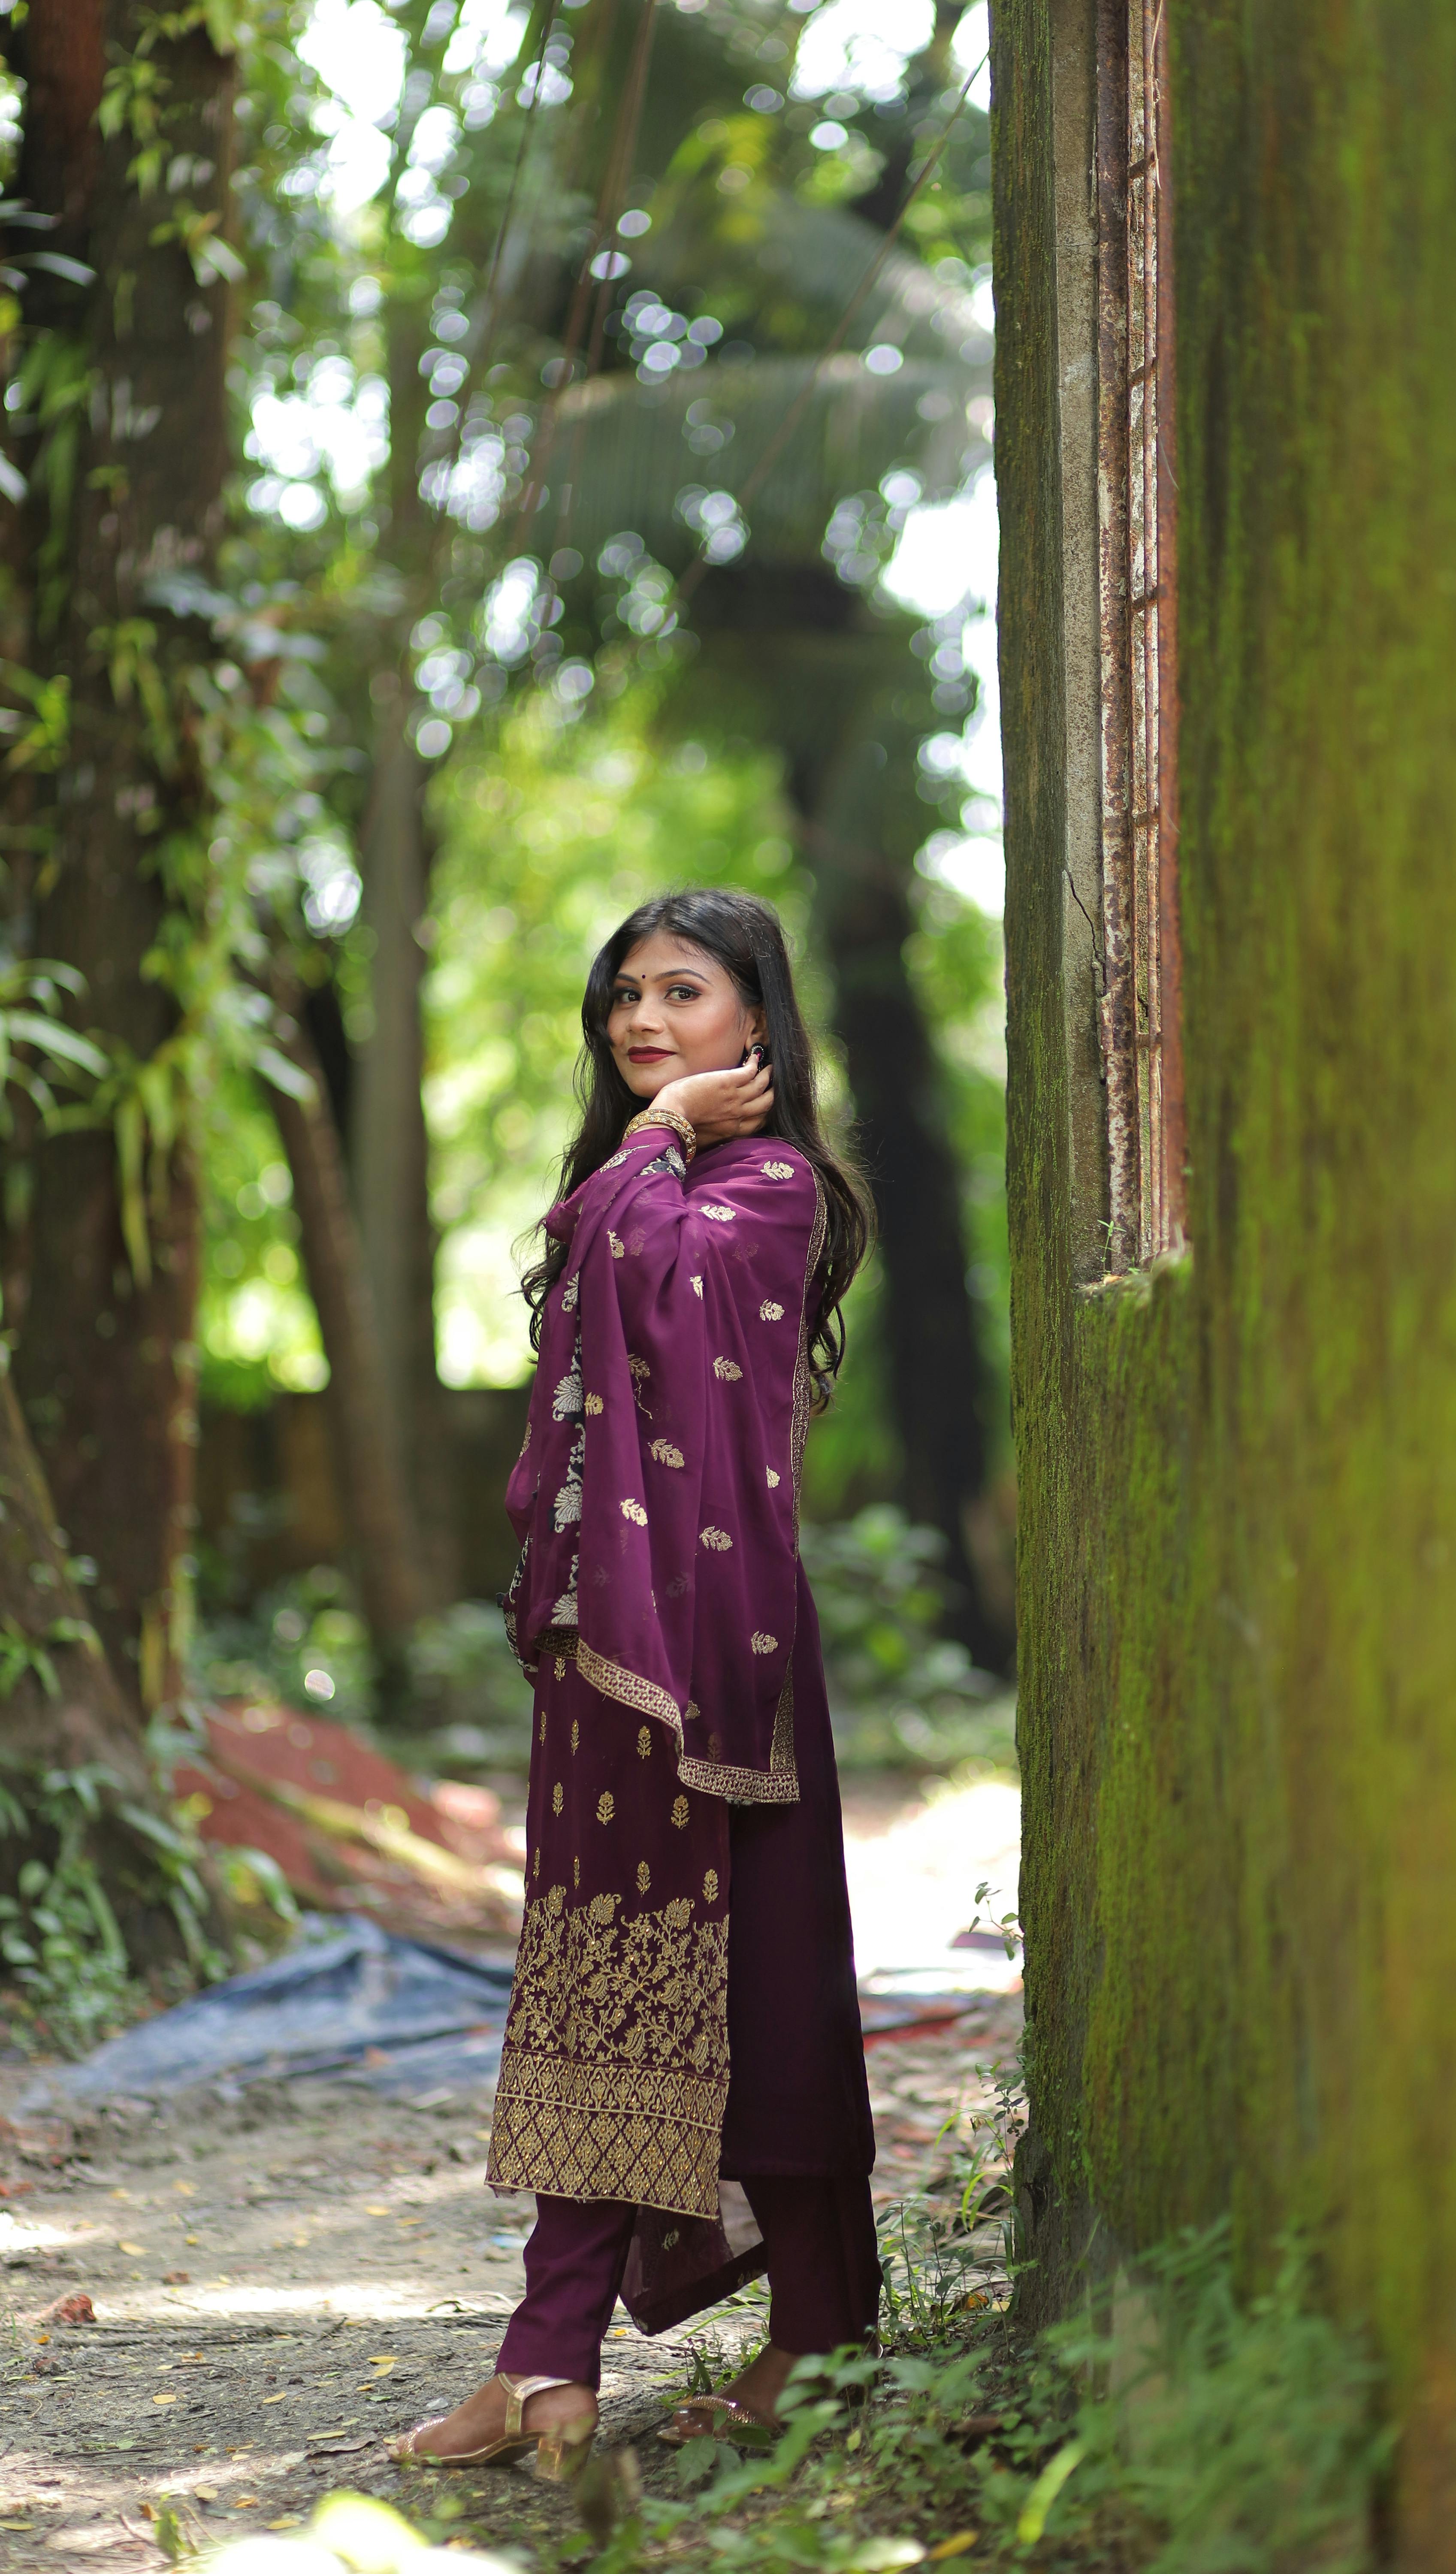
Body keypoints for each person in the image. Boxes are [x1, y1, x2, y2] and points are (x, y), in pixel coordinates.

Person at [393, 888, 880, 2476]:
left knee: (767, 1984)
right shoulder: (645, 1172)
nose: (640, 1020)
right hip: (610, 1646)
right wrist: (649, 1143)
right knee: (600, 1979)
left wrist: (660, 1136)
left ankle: (813, 2338)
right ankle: (550, 2362)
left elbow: (655, 1284)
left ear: (758, 1021)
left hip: (728, 1657)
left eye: (682, 991)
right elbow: (598, 1263)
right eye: (623, 996)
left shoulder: (773, 1186)